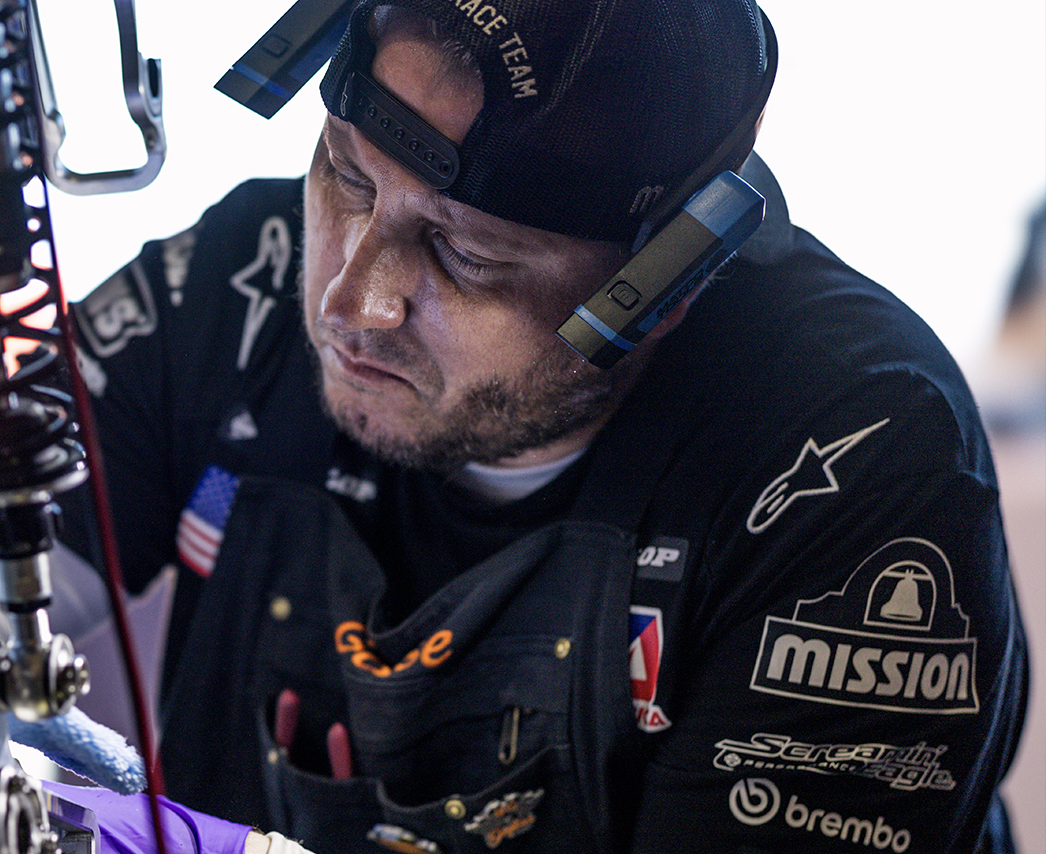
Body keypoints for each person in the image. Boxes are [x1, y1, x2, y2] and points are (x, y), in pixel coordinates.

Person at [51, 0, 1029, 851]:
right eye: (348, 178)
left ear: (662, 288)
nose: (355, 299)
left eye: (465, 253)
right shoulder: (238, 284)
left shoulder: (858, 463)